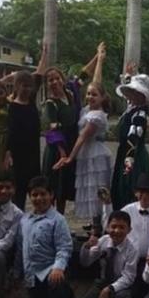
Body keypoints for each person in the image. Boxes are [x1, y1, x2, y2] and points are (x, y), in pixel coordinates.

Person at [41, 43, 104, 213]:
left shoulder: (71, 92)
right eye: (50, 80)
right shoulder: (50, 104)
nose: (54, 82)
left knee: (64, 190)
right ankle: (49, 219)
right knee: (53, 188)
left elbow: (85, 74)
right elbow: (52, 129)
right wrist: (62, 152)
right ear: (47, 84)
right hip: (58, 150)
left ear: (62, 78)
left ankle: (60, 220)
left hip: (72, 146)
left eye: (56, 78)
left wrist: (97, 56)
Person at [13, 176, 74, 298]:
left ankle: (64, 296)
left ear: (51, 195)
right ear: (29, 197)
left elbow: (64, 247)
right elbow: (21, 248)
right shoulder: (24, 220)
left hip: (50, 270)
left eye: (43, 194)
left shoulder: (58, 220)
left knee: (57, 287)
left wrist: (58, 267)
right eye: (34, 195)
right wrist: (16, 273)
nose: (39, 198)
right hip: (32, 274)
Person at [53, 76, 113, 222]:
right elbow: (96, 77)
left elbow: (82, 137)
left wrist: (70, 157)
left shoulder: (97, 116)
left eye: (94, 94)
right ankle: (94, 223)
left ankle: (98, 223)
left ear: (102, 97)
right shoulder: (86, 110)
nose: (90, 97)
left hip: (94, 153)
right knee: (88, 188)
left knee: (96, 188)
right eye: (88, 94)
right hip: (86, 154)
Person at [67, 210, 139, 298]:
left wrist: (109, 289)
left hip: (121, 285)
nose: (117, 231)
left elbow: (128, 278)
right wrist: (86, 247)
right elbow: (85, 263)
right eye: (113, 226)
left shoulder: (133, 249)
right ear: (107, 227)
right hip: (102, 282)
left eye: (122, 227)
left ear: (129, 230)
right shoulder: (103, 241)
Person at [111, 67, 149, 209]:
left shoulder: (139, 115)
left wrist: (129, 160)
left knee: (130, 185)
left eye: (134, 92)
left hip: (133, 155)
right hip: (124, 152)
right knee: (121, 186)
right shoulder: (132, 110)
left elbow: (133, 139)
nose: (130, 94)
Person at [6, 70, 43, 210]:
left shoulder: (32, 102)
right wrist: (8, 153)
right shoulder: (11, 107)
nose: (26, 89)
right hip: (18, 155)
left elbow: (39, 76)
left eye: (29, 86)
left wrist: (45, 52)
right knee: (19, 192)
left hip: (33, 153)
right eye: (23, 85)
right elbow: (10, 132)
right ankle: (18, 223)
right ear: (16, 86)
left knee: (36, 188)